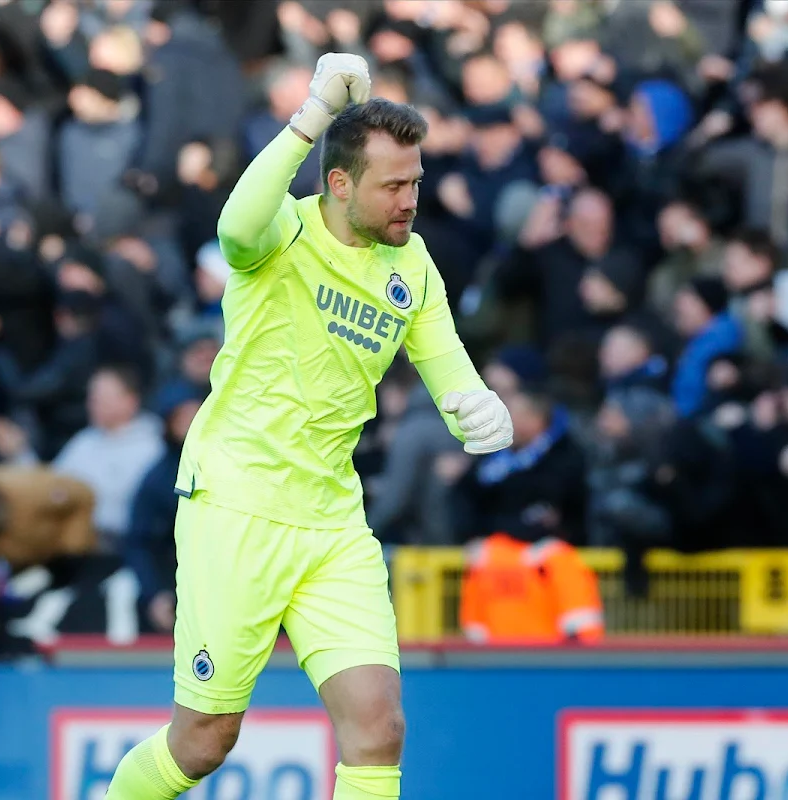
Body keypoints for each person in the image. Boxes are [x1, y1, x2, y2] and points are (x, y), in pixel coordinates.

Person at [105, 53, 514, 800]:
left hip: (332, 522)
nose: (408, 201)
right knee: (202, 743)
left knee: (379, 729)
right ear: (339, 183)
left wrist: (481, 408)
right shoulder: (280, 234)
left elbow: (451, 372)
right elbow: (234, 222)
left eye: (415, 182)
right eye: (392, 185)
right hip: (236, 505)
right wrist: (309, 117)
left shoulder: (413, 265)